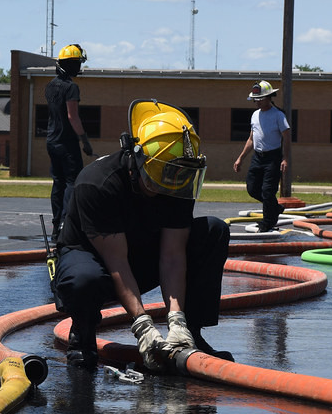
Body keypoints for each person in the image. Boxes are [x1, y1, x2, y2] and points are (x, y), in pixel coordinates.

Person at [53, 99, 231, 371]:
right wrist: (143, 326)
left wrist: (177, 320)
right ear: (138, 160)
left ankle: (190, 335)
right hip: (95, 260)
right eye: (163, 177)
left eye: (177, 176)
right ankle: (83, 335)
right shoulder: (98, 183)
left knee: (213, 231)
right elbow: (117, 263)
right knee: (83, 280)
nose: (169, 185)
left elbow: (172, 256)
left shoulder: (177, 176)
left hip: (141, 253)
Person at [45, 43, 95, 241]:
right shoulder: (71, 87)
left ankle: (56, 225)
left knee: (57, 182)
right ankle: (67, 224)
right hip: (67, 142)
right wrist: (85, 141)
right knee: (72, 182)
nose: (79, 68)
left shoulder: (50, 85)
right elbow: (72, 116)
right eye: (77, 63)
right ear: (69, 64)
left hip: (51, 140)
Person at [233, 80, 291, 232]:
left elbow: (287, 137)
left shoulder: (278, 115)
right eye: (255, 99)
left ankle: (268, 222)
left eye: (260, 99)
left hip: (273, 157)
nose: (257, 102)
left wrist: (285, 158)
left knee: (267, 191)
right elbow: (251, 139)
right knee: (252, 188)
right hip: (258, 157)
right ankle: (275, 207)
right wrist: (241, 158)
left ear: (269, 97)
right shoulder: (254, 115)